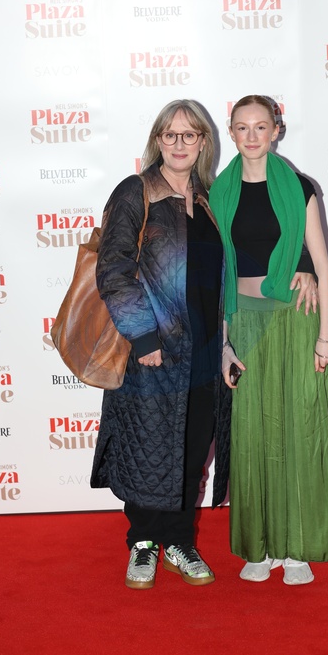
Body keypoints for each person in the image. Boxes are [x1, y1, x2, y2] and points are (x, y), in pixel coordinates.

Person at [90, 99, 231, 589]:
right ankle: (144, 542)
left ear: (203, 142)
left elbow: (223, 279)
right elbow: (113, 268)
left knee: (191, 451)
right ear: (157, 140)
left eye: (189, 134)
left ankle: (179, 541)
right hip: (154, 348)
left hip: (205, 350)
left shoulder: (211, 199)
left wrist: (227, 343)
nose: (179, 143)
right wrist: (143, 334)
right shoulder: (137, 191)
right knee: (148, 448)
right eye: (170, 134)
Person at [210, 94, 328, 585]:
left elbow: (321, 263)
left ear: (276, 131)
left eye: (261, 126)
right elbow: (218, 273)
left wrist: (327, 338)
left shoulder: (298, 187)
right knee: (251, 434)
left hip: (297, 317)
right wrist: (223, 344)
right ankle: (259, 547)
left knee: (300, 427)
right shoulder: (217, 193)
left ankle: (297, 547)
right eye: (242, 127)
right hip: (244, 321)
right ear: (231, 132)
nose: (252, 136)